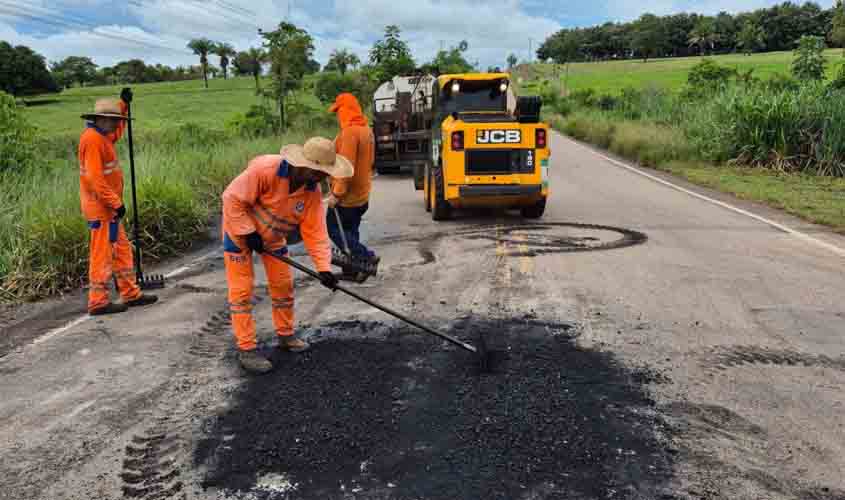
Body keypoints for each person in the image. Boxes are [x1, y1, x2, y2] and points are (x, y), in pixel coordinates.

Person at [221, 137, 353, 374]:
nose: (323, 178)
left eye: (326, 173)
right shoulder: (266, 170)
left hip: (272, 238)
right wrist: (248, 232)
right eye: (319, 172)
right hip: (239, 233)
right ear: (303, 166)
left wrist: (324, 269)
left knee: (283, 285)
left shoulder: (312, 192)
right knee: (241, 290)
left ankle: (286, 335)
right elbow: (231, 198)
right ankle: (247, 349)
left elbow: (316, 233)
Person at [78, 96, 157, 316]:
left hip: (109, 209)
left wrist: (123, 103)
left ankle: (131, 293)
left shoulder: (104, 136)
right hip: (100, 208)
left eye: (117, 119)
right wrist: (115, 202)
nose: (116, 123)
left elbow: (118, 132)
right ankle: (98, 302)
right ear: (100, 119)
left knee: (122, 250)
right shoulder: (92, 140)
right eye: (113, 119)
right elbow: (95, 180)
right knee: (102, 254)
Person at [326, 93, 378, 278]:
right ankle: (353, 270)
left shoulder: (350, 133)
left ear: (345, 111)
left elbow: (345, 168)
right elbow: (370, 161)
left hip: (347, 198)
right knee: (350, 232)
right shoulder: (366, 130)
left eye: (338, 111)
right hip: (362, 195)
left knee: (333, 228)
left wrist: (337, 194)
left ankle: (366, 256)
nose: (337, 116)